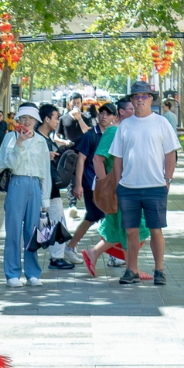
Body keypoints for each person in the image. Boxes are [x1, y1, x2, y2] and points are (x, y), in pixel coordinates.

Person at [108, 81, 179, 285]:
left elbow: (170, 154)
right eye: (136, 97)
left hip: (155, 186)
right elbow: (118, 157)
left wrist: (168, 180)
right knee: (131, 231)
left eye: (144, 96)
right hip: (128, 188)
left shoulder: (161, 123)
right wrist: (118, 182)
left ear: (150, 99)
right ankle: (132, 270)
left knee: (156, 229)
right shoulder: (125, 126)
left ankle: (159, 270)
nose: (140, 100)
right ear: (131, 100)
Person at [82, 97, 150, 276]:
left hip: (130, 186)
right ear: (121, 112)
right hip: (118, 188)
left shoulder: (128, 130)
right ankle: (131, 268)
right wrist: (105, 185)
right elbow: (98, 159)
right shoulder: (113, 131)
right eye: (130, 109)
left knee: (121, 227)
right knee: (132, 226)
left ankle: (95, 254)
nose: (134, 111)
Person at [0, 103, 52, 287]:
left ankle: (33, 273)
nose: (27, 121)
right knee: (13, 229)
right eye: (23, 118)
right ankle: (12, 273)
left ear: (36, 121)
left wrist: (45, 199)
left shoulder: (41, 141)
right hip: (17, 182)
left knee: (32, 231)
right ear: (18, 120)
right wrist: (19, 144)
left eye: (30, 118)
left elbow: (45, 171)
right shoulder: (10, 138)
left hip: (35, 186)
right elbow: (7, 164)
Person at [66, 103, 115, 263]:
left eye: (108, 114)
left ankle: (112, 254)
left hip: (107, 185)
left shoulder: (114, 135)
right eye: (101, 113)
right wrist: (78, 185)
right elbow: (81, 160)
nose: (104, 117)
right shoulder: (90, 135)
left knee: (105, 217)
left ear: (114, 117)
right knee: (95, 215)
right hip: (91, 184)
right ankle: (70, 246)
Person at [35, 103, 76, 270]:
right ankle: (55, 257)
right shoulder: (37, 139)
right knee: (54, 222)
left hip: (53, 189)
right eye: (56, 118)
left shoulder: (47, 139)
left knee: (58, 222)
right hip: (43, 190)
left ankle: (57, 256)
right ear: (46, 119)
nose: (57, 121)